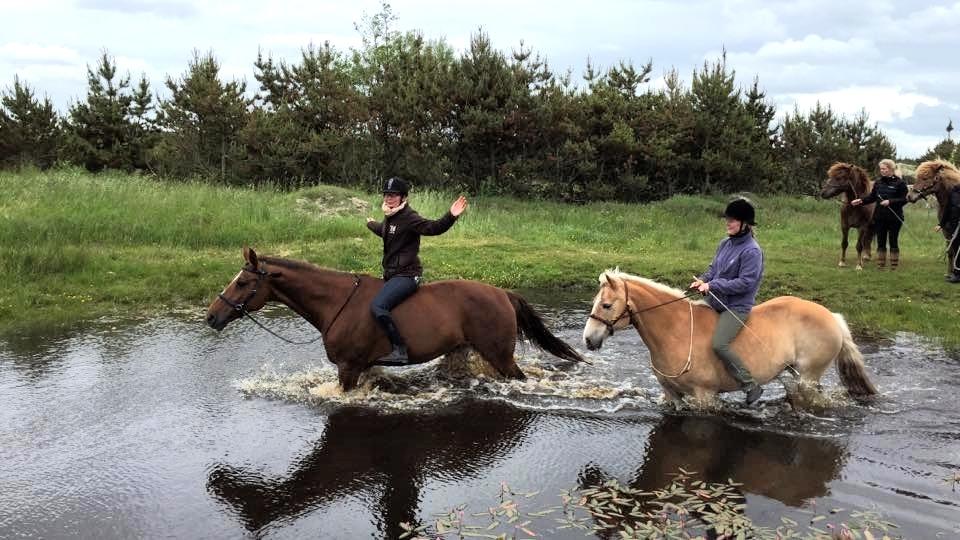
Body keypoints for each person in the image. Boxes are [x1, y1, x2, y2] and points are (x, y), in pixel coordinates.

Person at [365, 177, 468, 365]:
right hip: (392, 274)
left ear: (403, 197)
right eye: (387, 194)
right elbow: (388, 232)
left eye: (393, 195)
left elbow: (433, 228)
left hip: (407, 275)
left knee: (378, 306)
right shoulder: (391, 216)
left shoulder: (409, 217)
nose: (389, 198)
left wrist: (451, 216)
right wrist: (372, 225)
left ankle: (400, 350)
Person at [689, 197, 765, 405]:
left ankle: (750, 384)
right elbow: (713, 269)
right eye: (728, 219)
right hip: (715, 302)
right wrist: (703, 280)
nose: (728, 223)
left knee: (719, 344)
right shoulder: (725, 243)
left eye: (732, 220)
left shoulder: (752, 251)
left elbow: (745, 283)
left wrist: (713, 285)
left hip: (736, 307)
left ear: (745, 224)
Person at [851, 159, 908, 270]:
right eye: (881, 169)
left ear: (891, 169)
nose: (882, 171)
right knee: (881, 241)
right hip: (879, 217)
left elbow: (904, 199)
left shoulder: (900, 183)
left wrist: (890, 202)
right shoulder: (878, 182)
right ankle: (881, 265)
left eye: (884, 169)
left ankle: (893, 266)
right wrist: (861, 201)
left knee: (893, 240)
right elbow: (872, 197)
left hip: (895, 217)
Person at [935, 180, 960, 283]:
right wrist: (941, 224)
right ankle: (957, 273)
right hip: (955, 225)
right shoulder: (954, 191)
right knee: (956, 248)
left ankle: (957, 274)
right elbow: (948, 209)